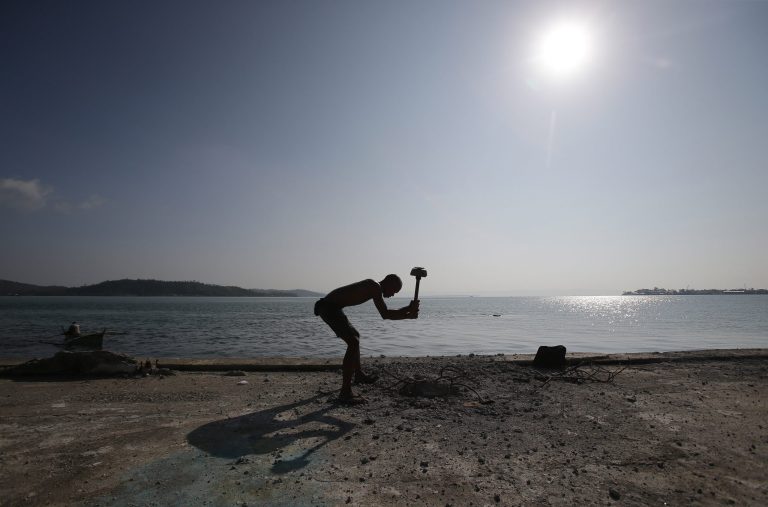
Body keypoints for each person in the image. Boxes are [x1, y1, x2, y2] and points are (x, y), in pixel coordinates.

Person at [314, 274, 419, 404]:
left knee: (355, 336)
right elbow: (385, 314)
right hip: (328, 308)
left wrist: (408, 310)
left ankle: (359, 375)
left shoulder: (374, 287)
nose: (393, 295)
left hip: (332, 307)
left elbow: (386, 313)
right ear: (389, 283)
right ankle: (345, 393)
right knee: (353, 342)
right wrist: (408, 313)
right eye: (394, 291)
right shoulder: (374, 286)